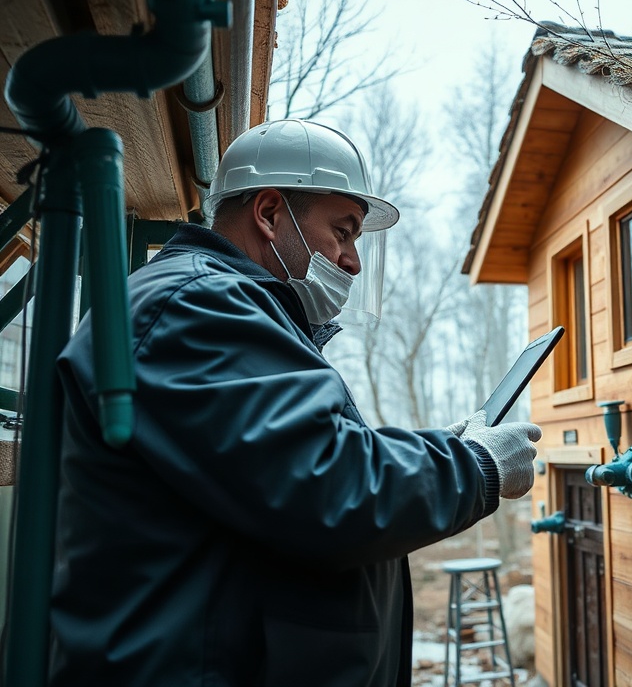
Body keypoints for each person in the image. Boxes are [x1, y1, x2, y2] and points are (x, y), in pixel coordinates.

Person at [50, 119, 542, 686]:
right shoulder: (199, 308)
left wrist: (438, 447)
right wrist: (475, 465)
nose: (354, 260)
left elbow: (289, 460)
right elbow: (328, 485)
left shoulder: (220, 308)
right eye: (343, 231)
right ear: (269, 213)